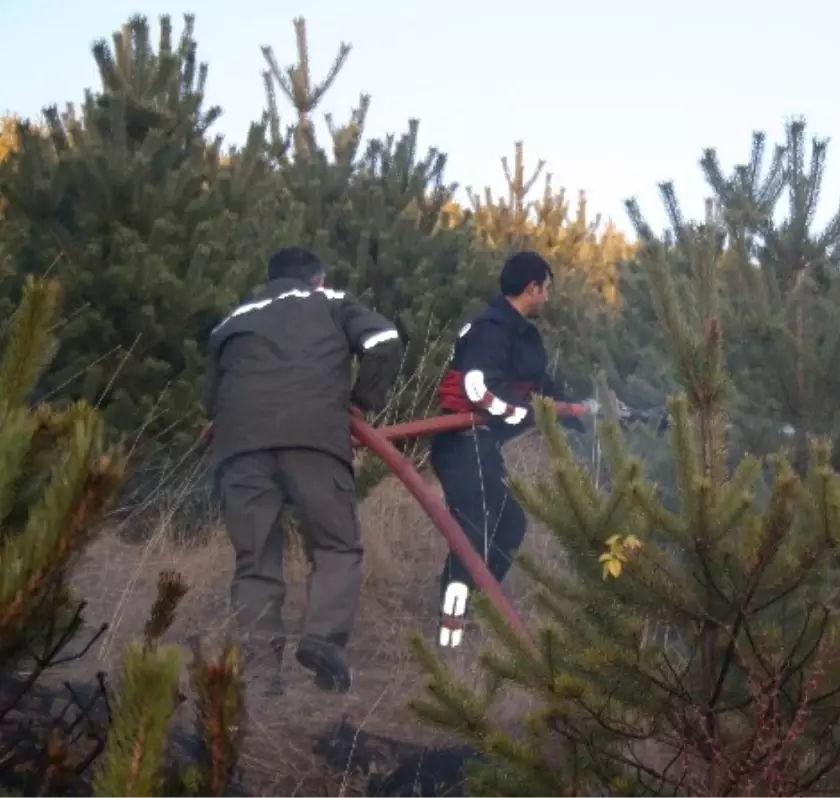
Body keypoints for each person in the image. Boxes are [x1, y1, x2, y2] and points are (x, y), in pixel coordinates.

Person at [204, 245, 406, 694]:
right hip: (313, 437)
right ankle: (323, 641)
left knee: (254, 562)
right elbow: (383, 342)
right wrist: (361, 402)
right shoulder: (330, 302)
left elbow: (212, 400)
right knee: (336, 545)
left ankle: (257, 678)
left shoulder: (233, 321)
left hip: (240, 447)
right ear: (317, 279)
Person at [431, 250, 586, 648]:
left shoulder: (521, 334)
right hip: (460, 442)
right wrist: (524, 414)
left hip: (482, 445)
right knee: (474, 531)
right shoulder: (491, 330)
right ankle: (449, 639)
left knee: (510, 523)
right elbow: (479, 389)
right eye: (546, 289)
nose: (548, 298)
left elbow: (542, 387)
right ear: (532, 288)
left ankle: (474, 606)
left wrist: (584, 414)